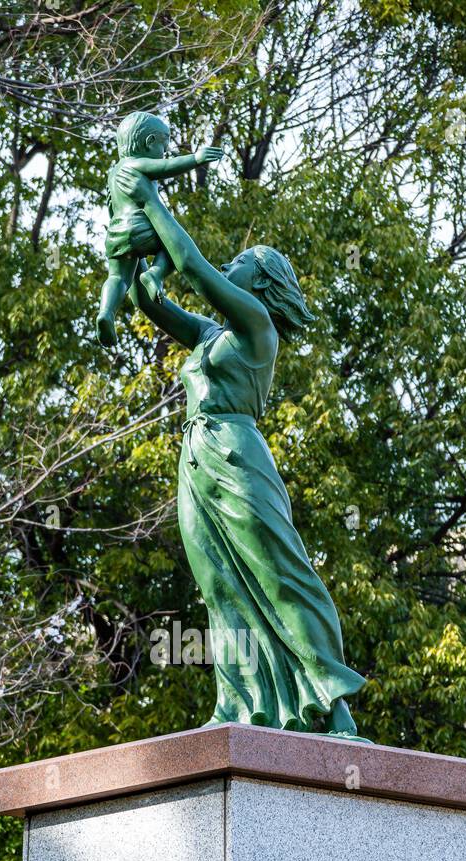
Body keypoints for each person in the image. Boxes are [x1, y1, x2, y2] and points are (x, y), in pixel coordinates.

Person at [117, 161, 368, 738]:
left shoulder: (257, 326)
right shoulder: (211, 335)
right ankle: (242, 705)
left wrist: (149, 196)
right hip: (197, 458)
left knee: (279, 573)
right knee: (220, 585)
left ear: (261, 282)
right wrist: (131, 248)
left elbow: (197, 269)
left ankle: (334, 702)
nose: (230, 266)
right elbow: (151, 304)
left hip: (238, 453)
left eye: (241, 265)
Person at [96, 111, 223, 346]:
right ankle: (155, 273)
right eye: (163, 146)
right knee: (170, 245)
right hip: (142, 228)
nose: (163, 153)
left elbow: (111, 207)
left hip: (116, 232)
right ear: (149, 142)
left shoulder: (113, 173)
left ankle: (106, 312)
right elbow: (166, 167)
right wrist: (195, 158)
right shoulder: (138, 163)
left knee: (117, 277)